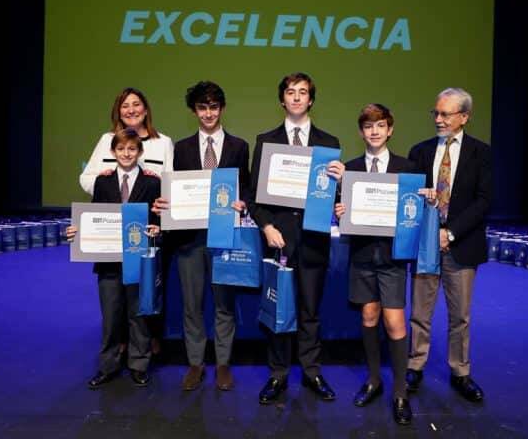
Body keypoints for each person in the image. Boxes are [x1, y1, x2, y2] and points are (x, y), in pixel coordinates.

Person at [248, 72, 345, 404]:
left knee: (310, 310)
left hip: (314, 239)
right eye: (291, 92)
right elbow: (253, 196)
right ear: (282, 99)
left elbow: (334, 198)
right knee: (278, 309)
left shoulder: (329, 143)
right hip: (278, 239)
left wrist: (342, 181)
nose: (297, 97)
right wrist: (266, 226)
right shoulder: (266, 141)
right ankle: (277, 374)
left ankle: (311, 371)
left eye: (303, 92)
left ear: (311, 100)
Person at [334, 103, 433, 424]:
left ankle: (400, 392)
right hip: (362, 255)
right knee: (368, 315)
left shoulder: (408, 169)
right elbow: (340, 209)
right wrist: (339, 210)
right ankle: (374, 380)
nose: (374, 131)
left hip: (392, 258)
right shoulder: (349, 170)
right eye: (368, 126)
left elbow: (416, 213)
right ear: (361, 132)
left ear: (390, 130)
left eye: (380, 126)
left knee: (395, 322)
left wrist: (427, 200)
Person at [152, 81, 250, 391]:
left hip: (224, 237)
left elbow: (245, 186)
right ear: (194, 110)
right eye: (202, 107)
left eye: (213, 107)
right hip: (189, 239)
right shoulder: (180, 148)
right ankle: (195, 363)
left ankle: (223, 364)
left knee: (224, 305)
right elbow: (174, 189)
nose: (208, 113)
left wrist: (242, 202)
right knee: (191, 305)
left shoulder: (239, 146)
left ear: (222, 108)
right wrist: (164, 203)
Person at [405, 88, 492, 402]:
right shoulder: (420, 151)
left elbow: (483, 202)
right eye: (436, 113)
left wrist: (450, 233)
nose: (439, 119)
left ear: (464, 117)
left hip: (462, 245)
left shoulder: (481, 153)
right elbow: (410, 197)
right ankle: (415, 365)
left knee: (460, 316)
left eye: (446, 114)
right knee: (420, 311)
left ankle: (460, 372)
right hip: (424, 245)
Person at [80, 87, 173, 356]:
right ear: (118, 111)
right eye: (125, 105)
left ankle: (146, 342)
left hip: (146, 229)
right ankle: (119, 343)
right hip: (110, 229)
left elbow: (169, 182)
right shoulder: (107, 140)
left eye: (136, 104)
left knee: (145, 288)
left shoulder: (163, 142)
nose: (131, 110)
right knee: (113, 293)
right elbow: (87, 178)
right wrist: (108, 185)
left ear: (145, 109)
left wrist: (161, 201)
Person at [67, 128, 161, 389]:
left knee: (138, 315)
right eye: (121, 149)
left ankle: (139, 365)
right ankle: (107, 366)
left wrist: (158, 229)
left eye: (132, 149)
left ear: (140, 152)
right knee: (110, 317)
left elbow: (158, 218)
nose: (126, 154)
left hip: (139, 260)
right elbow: (94, 216)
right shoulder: (103, 182)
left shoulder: (152, 183)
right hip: (108, 262)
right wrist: (78, 231)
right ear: (112, 152)